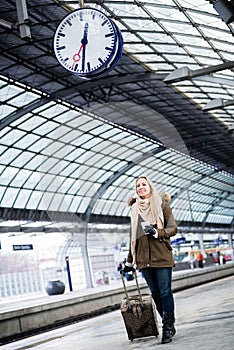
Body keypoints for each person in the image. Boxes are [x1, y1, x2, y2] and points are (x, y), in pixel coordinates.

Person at [121, 176, 178, 344]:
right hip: (143, 260)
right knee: (155, 294)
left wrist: (157, 233)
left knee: (165, 292)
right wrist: (129, 262)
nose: (141, 187)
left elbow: (173, 228)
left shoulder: (161, 205)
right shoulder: (134, 210)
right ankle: (169, 323)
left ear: (150, 186)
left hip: (161, 256)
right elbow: (133, 237)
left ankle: (167, 327)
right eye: (138, 185)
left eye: (143, 184)